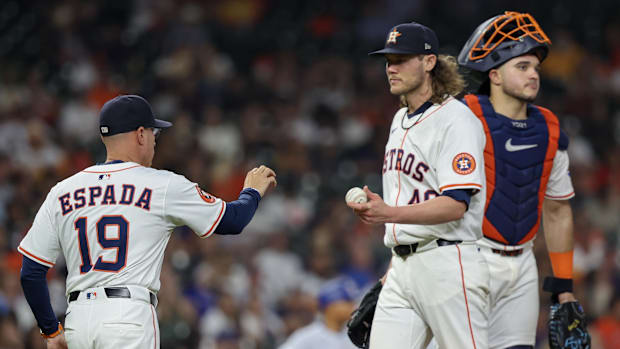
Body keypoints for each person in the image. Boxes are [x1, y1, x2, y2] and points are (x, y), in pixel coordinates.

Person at [18, 95, 277, 349]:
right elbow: (233, 221)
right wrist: (252, 192)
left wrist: (51, 331)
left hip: (78, 320)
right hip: (129, 317)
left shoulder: (63, 191)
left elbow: (31, 272)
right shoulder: (162, 184)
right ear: (141, 134)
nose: (154, 140)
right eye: (154, 133)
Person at [348, 22, 489, 348]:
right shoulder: (399, 120)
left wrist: (388, 212)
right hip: (403, 269)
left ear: (429, 62)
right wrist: (393, 265)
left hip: (449, 264)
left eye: (401, 59)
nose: (391, 68)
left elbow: (455, 204)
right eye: (388, 61)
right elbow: (410, 204)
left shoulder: (456, 119)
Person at [457, 11, 588, 348]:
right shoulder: (461, 118)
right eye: (523, 67)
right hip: (466, 260)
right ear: (495, 75)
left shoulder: (550, 128)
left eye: (536, 68)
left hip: (523, 267)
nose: (534, 75)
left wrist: (564, 286)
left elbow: (558, 211)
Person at [278, 277, 358, 349]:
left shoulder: (355, 336)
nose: (352, 306)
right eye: (347, 302)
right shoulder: (308, 336)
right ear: (331, 306)